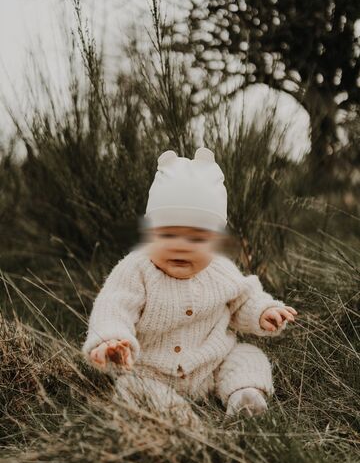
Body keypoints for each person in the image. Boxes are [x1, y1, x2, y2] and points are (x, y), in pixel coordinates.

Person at [82, 148, 297, 422]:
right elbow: (114, 307)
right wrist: (111, 340)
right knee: (131, 388)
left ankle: (244, 398)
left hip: (210, 364)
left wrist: (263, 312)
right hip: (150, 372)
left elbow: (243, 299)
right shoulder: (136, 270)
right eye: (168, 234)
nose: (181, 246)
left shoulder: (220, 269)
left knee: (248, 355)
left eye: (197, 239)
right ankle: (176, 418)